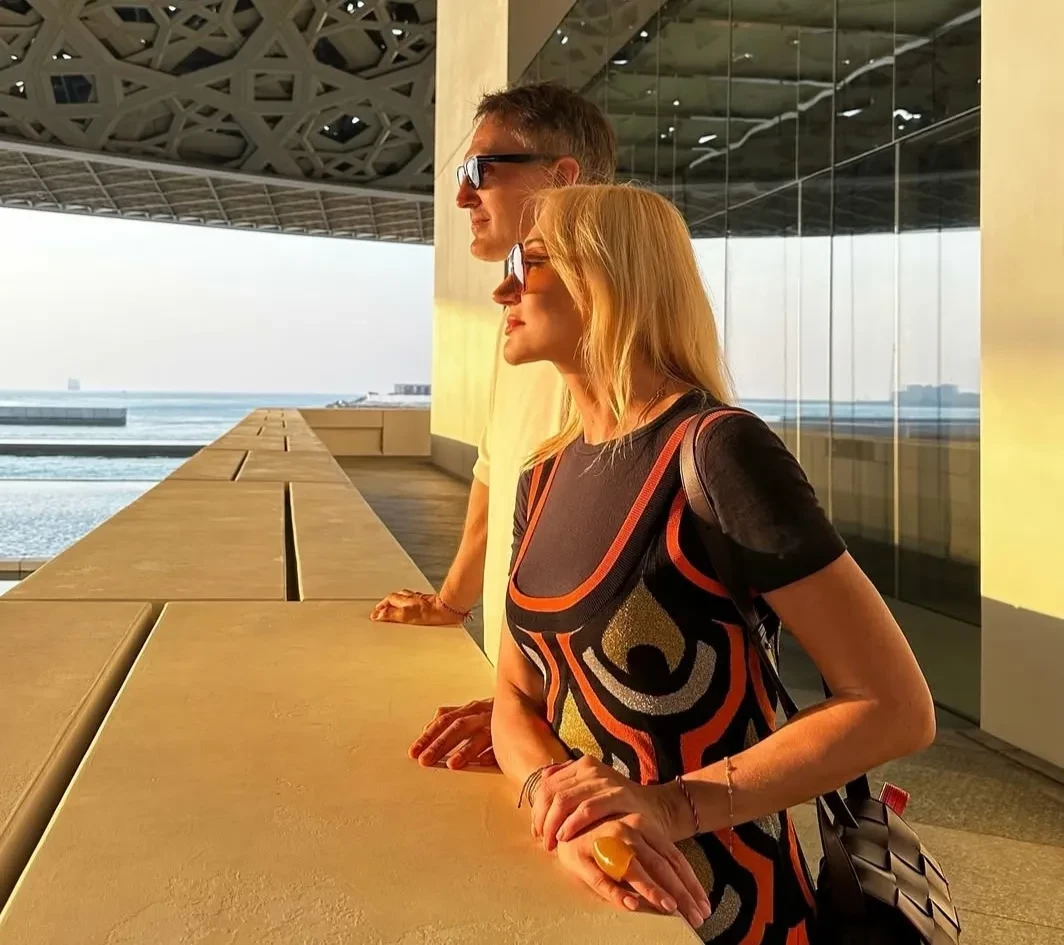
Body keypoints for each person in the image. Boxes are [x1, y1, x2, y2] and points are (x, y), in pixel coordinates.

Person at [488, 184, 937, 941]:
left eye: (529, 263)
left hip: (727, 911)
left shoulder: (719, 451)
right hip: (590, 907)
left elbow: (895, 706)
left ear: (609, 278)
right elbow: (512, 694)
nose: (503, 289)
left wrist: (668, 805)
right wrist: (556, 800)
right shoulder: (543, 475)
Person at [370, 84, 618, 770]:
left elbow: (621, 536)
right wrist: (453, 602)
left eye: (481, 169)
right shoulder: (523, 322)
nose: (462, 196)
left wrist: (544, 703)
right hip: (525, 697)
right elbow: (495, 472)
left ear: (560, 178)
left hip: (586, 740)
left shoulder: (615, 338)